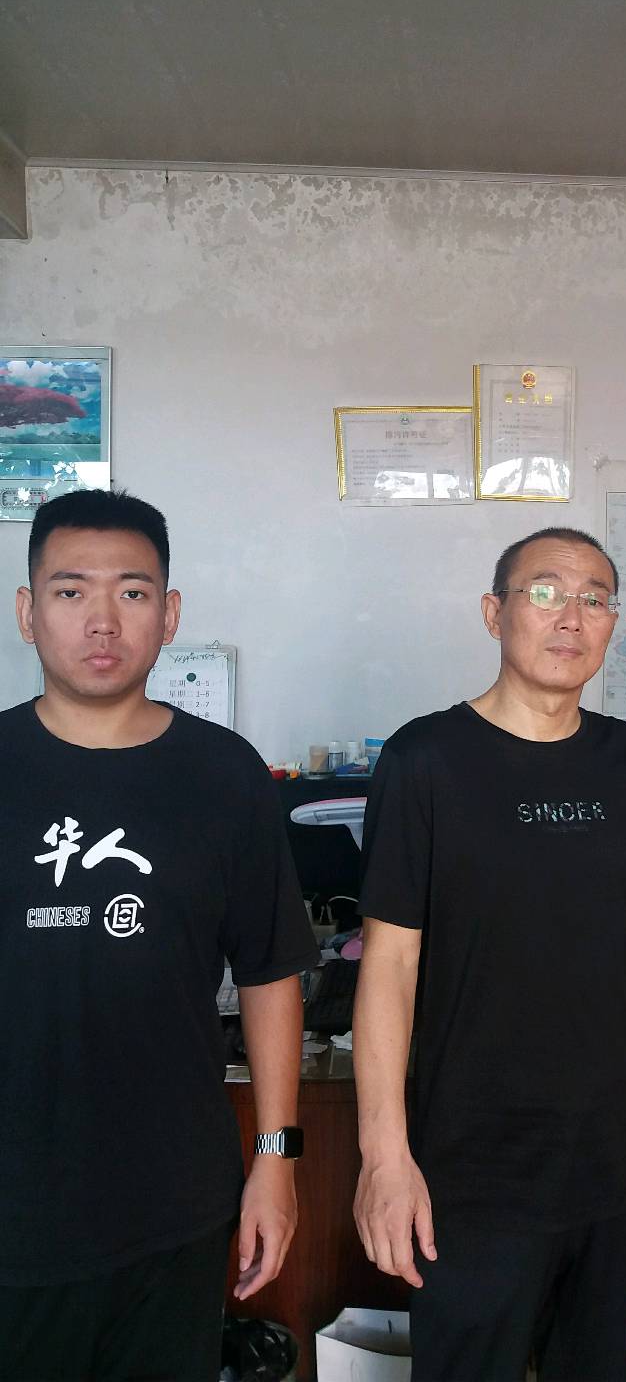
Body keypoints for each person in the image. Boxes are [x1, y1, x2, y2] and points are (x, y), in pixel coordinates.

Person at [351, 526, 626, 1381]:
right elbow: (390, 965)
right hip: (472, 1171)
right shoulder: (426, 760)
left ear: (612, 623)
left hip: (608, 1163)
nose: (572, 617)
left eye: (594, 599)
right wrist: (385, 1155)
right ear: (495, 613)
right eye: (546, 593)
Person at [0, 489, 319, 1382]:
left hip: (174, 1208)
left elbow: (269, 974)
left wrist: (277, 1159)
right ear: (27, 612)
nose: (102, 619)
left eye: (132, 592)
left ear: (169, 614)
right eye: (70, 591)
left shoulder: (226, 775)